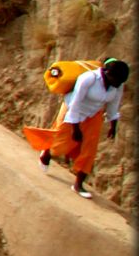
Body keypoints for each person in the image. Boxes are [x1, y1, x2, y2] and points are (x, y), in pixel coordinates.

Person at [24, 58, 129, 199]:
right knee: (61, 144)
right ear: (107, 73)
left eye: (120, 82)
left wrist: (113, 124)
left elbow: (113, 105)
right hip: (73, 110)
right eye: (116, 80)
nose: (117, 84)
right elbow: (75, 103)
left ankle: (78, 184)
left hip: (93, 115)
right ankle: (47, 153)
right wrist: (76, 128)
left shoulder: (117, 85)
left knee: (89, 149)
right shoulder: (88, 79)